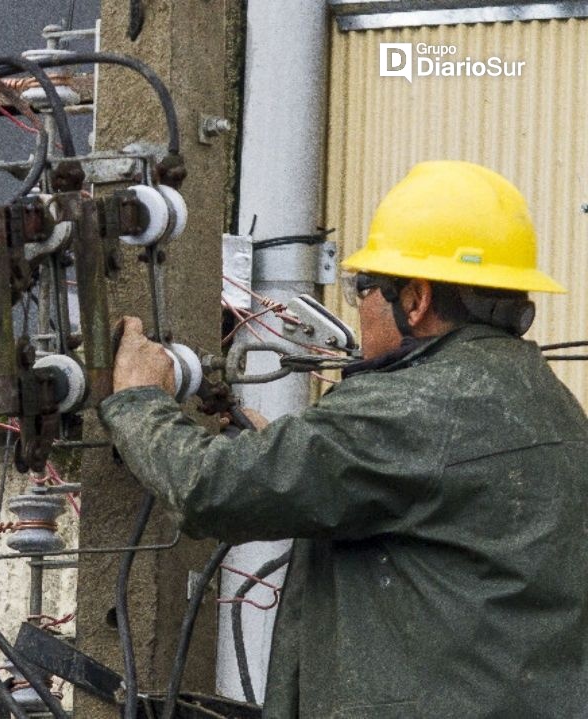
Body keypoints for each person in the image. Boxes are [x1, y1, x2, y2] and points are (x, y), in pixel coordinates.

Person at [101, 160, 588, 717]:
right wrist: (281, 453)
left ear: (416, 299)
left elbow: (210, 488)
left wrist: (140, 400)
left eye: (363, 287)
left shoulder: (409, 407)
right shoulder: (548, 404)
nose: (357, 304)